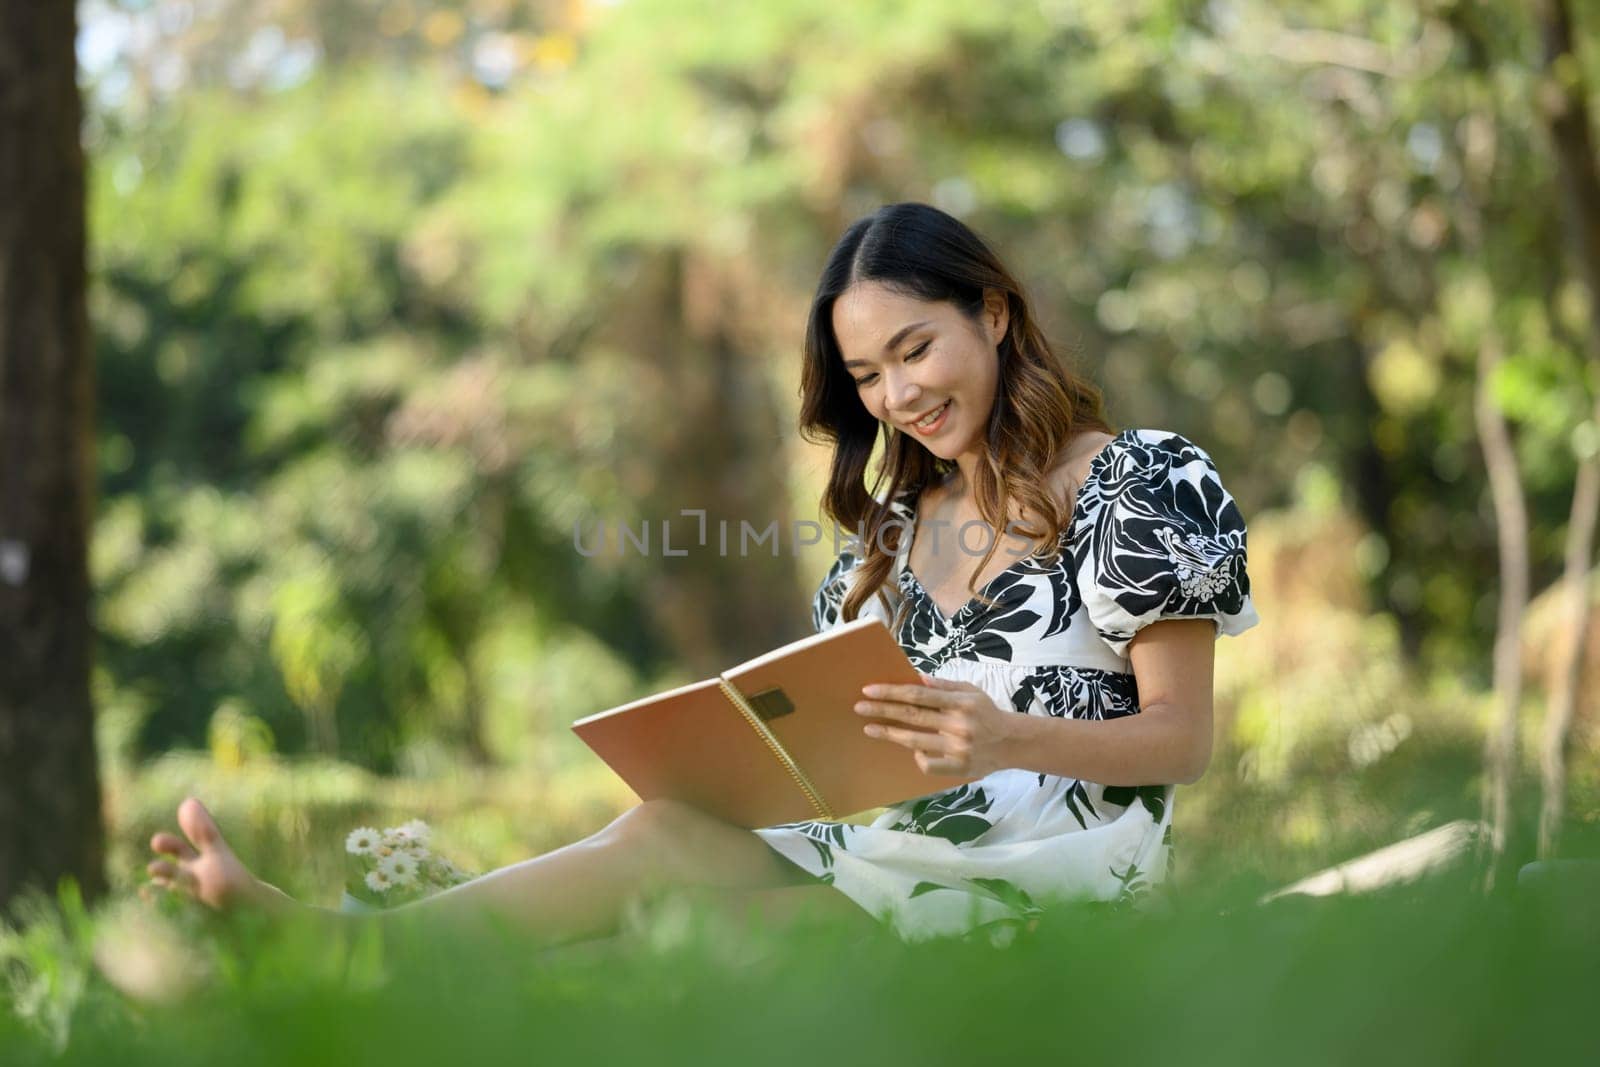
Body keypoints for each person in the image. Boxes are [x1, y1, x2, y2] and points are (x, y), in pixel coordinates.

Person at [146, 202, 1257, 945]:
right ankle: (341, 946)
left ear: (995, 313)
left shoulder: (1140, 480)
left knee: (663, 919)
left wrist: (1007, 733)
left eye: (915, 349)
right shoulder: (891, 529)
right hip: (873, 866)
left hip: (1047, 893)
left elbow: (1182, 738)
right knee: (661, 842)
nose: (896, 397)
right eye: (866, 375)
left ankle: (341, 948)